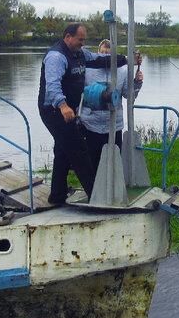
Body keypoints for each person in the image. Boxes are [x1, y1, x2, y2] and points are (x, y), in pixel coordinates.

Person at [38, 23, 131, 205]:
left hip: (69, 110)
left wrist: (125, 59)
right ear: (68, 37)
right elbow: (52, 86)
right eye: (80, 40)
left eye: (84, 40)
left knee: (63, 151)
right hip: (54, 110)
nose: (83, 43)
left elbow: (98, 59)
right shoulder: (56, 57)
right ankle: (97, 197)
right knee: (78, 150)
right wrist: (63, 106)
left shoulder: (80, 54)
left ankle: (57, 196)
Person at [79, 39, 144, 173]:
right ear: (97, 53)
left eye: (108, 54)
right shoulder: (87, 69)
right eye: (102, 53)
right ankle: (93, 190)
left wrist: (137, 82)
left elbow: (129, 95)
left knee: (114, 162)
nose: (104, 57)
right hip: (91, 125)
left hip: (114, 125)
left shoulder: (123, 70)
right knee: (93, 163)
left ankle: (114, 189)